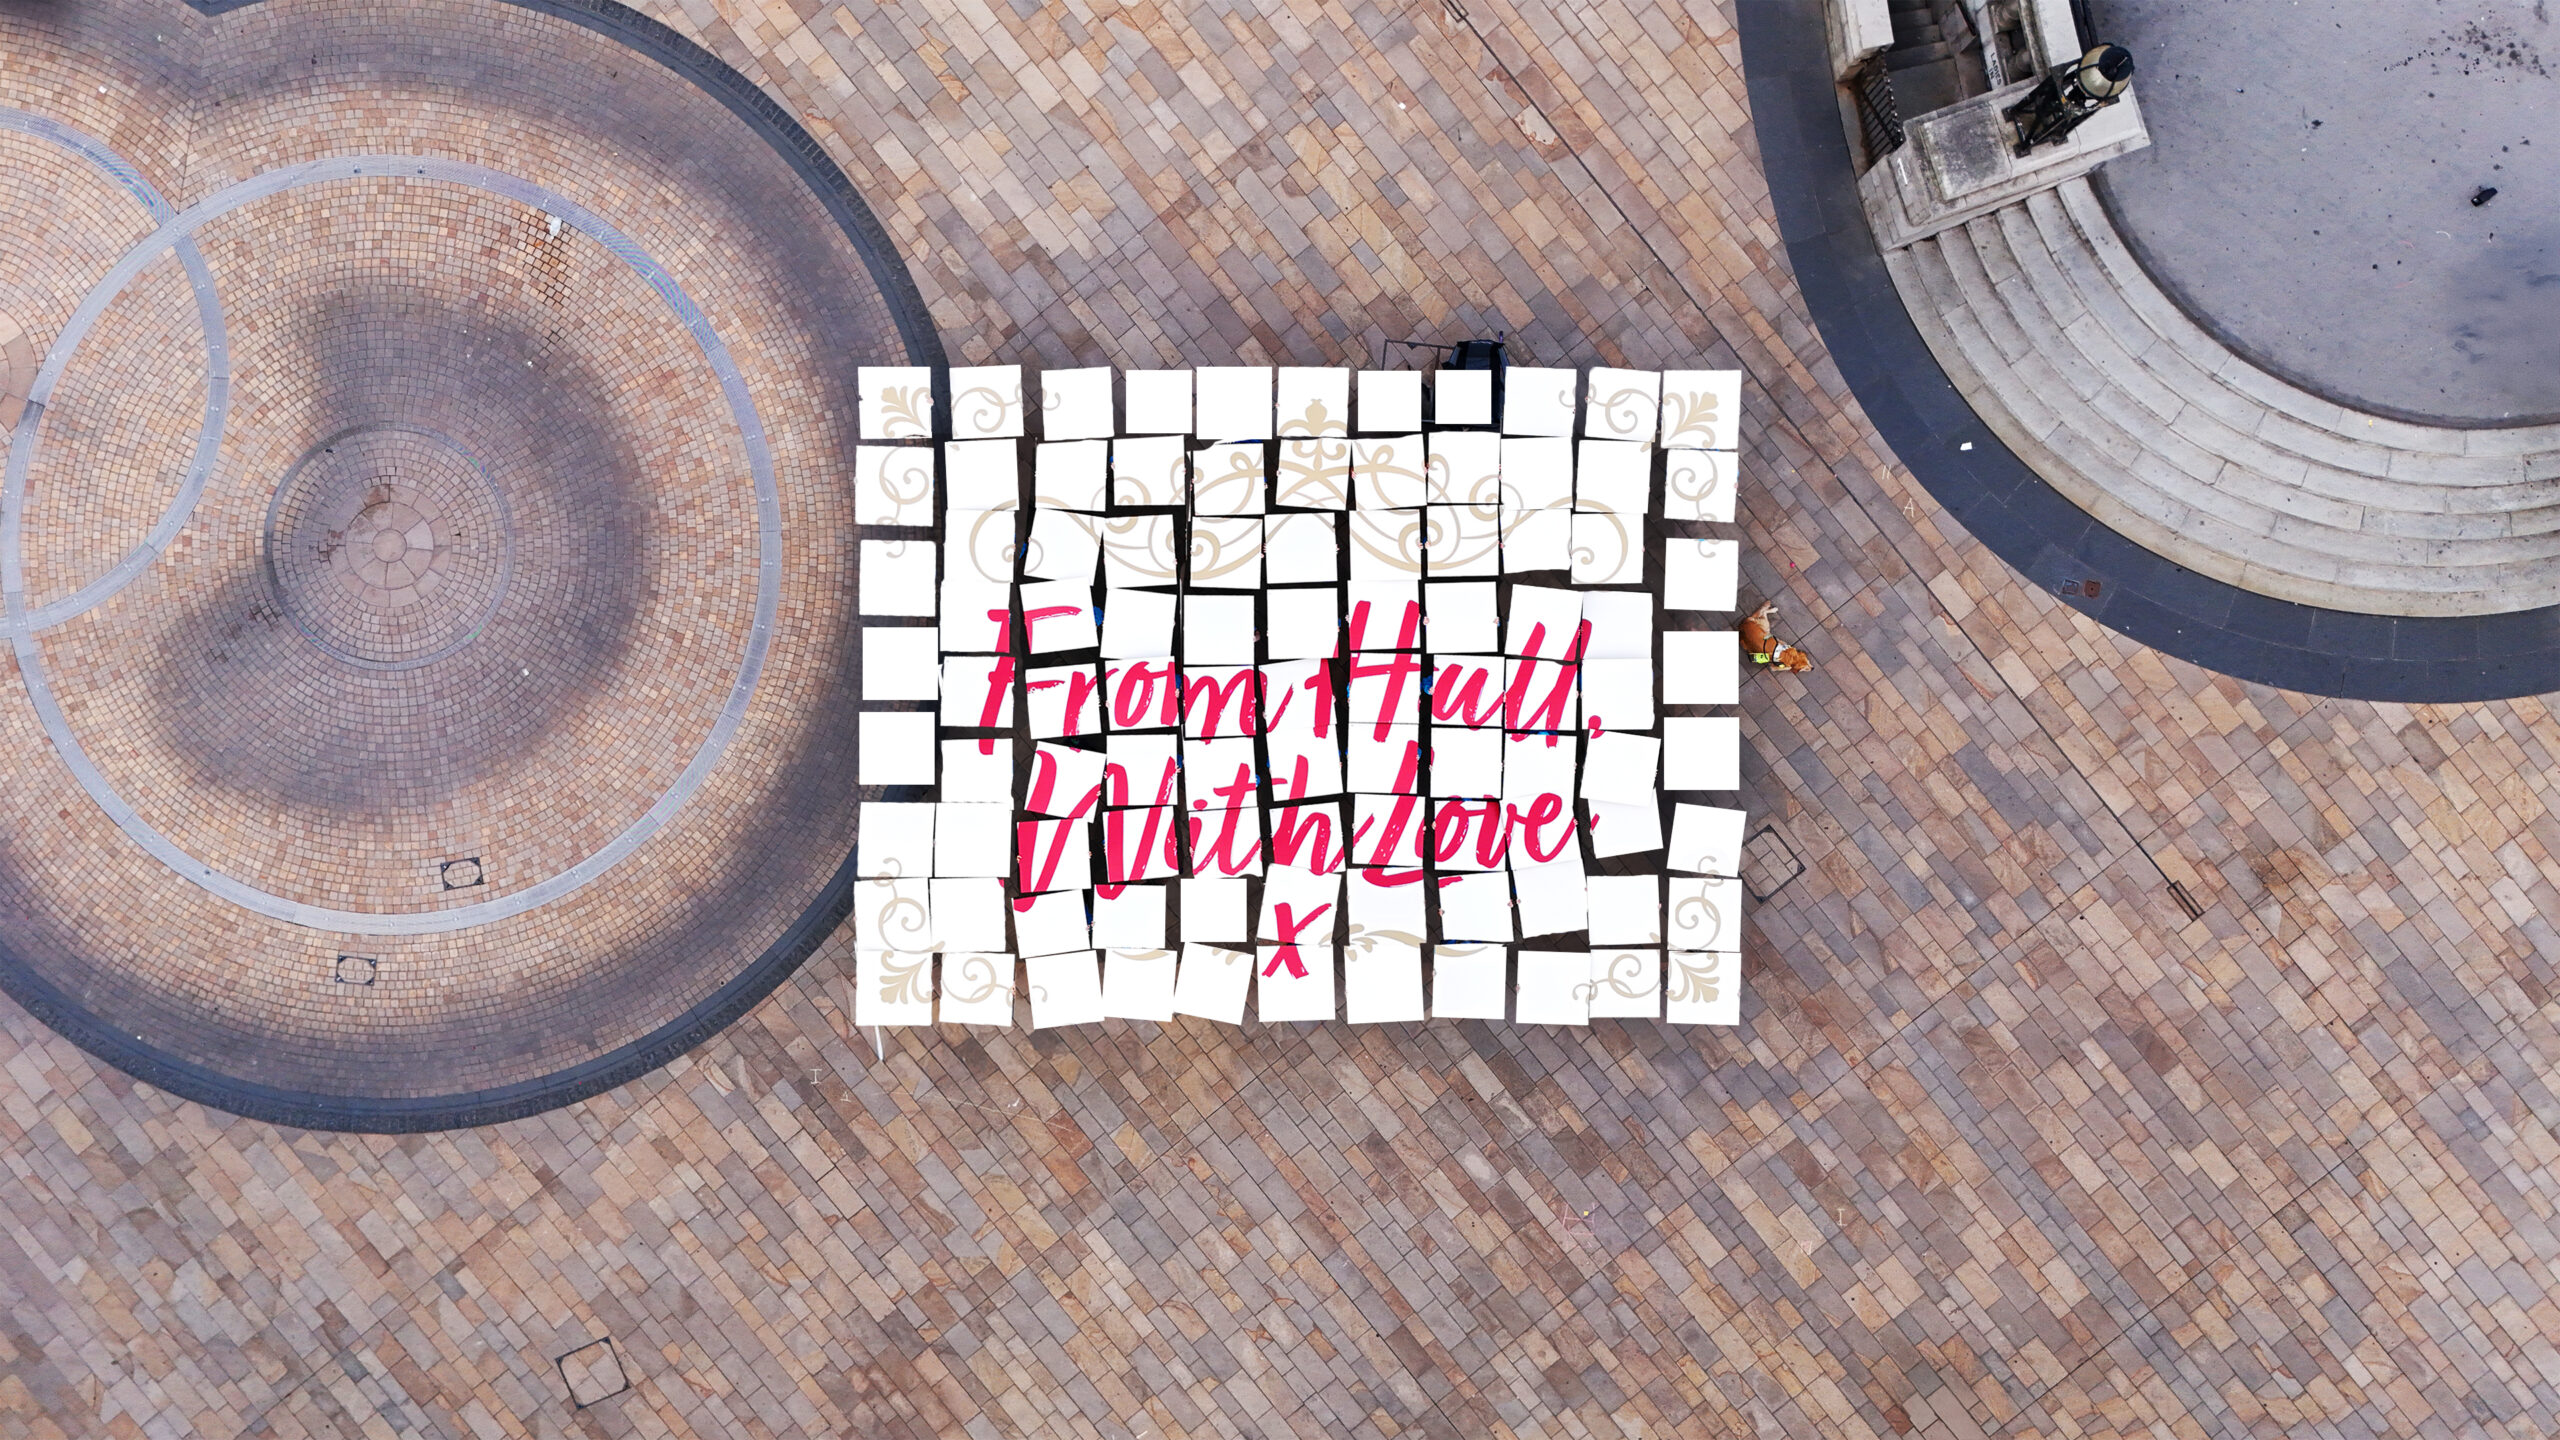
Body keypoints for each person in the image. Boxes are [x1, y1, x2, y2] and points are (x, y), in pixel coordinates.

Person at [1739, 601, 1812, 672]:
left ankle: (1763, 611)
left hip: (1751, 628)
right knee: (1765, 634)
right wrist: (1788, 668)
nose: (1809, 667)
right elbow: (1774, 668)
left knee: (1767, 632)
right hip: (1743, 641)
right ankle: (1764, 612)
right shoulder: (1783, 664)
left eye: (1806, 668)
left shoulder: (1786, 648)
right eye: (1808, 665)